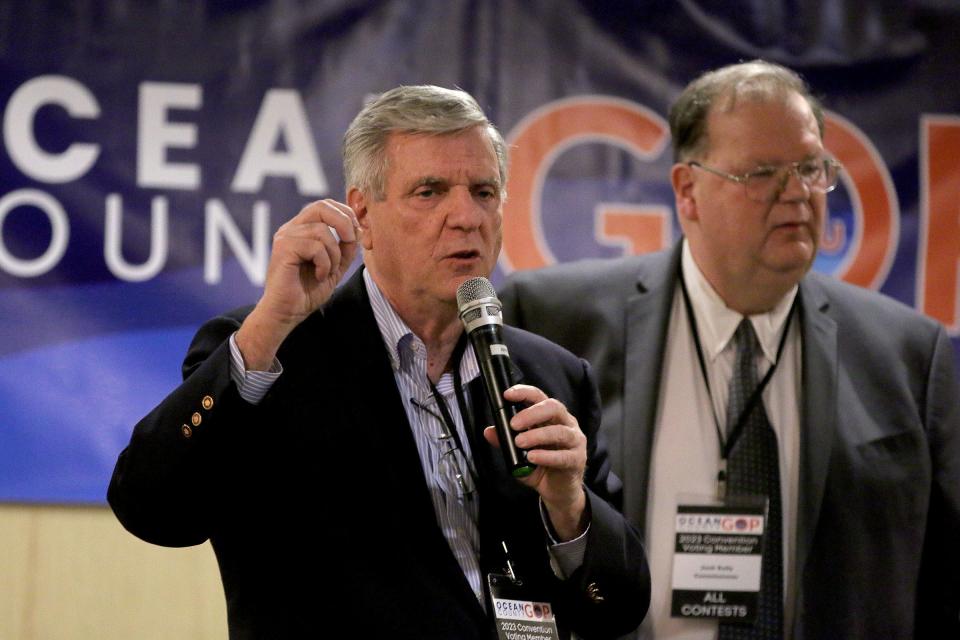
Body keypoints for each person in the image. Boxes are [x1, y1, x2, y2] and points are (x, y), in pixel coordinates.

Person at [108, 85, 650, 639]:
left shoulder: (551, 375)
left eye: (484, 191)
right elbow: (154, 510)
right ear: (362, 214)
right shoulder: (271, 355)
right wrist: (270, 325)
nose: (465, 216)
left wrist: (569, 508)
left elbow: (617, 608)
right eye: (429, 191)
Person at [500, 60, 960, 639]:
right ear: (688, 190)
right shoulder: (551, 320)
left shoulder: (907, 353)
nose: (798, 193)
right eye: (763, 173)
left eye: (812, 169)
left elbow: (945, 584)